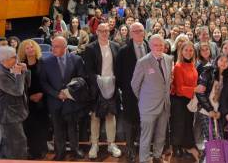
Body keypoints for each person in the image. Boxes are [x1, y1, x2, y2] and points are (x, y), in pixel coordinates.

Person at [39, 36, 85, 161]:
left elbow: (81, 79)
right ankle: (60, 152)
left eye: (56, 46)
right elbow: (43, 82)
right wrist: (56, 94)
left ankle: (75, 150)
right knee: (58, 128)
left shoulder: (77, 59)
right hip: (55, 101)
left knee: (73, 127)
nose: (53, 49)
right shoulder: (45, 61)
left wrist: (68, 91)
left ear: (65, 48)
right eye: (52, 46)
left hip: (71, 100)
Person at [131, 34, 173, 163]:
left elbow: (167, 81)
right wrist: (143, 99)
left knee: (161, 135)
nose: (159, 47)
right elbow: (134, 84)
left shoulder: (168, 59)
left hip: (165, 104)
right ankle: (144, 160)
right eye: (156, 45)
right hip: (148, 106)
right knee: (146, 137)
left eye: (161, 45)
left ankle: (157, 156)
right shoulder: (143, 62)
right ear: (150, 46)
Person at [84, 23, 121, 159]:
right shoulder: (90, 48)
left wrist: (112, 83)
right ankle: (95, 144)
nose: (105, 33)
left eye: (107, 31)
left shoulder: (116, 46)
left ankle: (111, 143)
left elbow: (118, 68)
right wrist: (99, 82)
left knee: (111, 116)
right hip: (96, 87)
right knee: (95, 116)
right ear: (97, 32)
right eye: (102, 31)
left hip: (112, 86)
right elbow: (88, 71)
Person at [116, 22, 149, 162]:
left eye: (140, 30)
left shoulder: (149, 46)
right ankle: (130, 149)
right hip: (130, 93)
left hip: (148, 92)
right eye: (135, 31)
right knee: (130, 121)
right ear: (130, 33)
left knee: (144, 121)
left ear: (144, 32)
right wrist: (126, 90)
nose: (138, 33)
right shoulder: (123, 51)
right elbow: (118, 73)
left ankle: (143, 149)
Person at [170, 41, 203, 162]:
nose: (188, 52)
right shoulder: (178, 66)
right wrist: (195, 89)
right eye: (186, 50)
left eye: (191, 50)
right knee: (179, 124)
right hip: (179, 100)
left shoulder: (193, 64)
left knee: (188, 123)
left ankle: (186, 145)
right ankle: (176, 147)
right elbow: (179, 88)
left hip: (189, 99)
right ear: (181, 52)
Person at [18, 40, 49, 159]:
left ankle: (43, 149)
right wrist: (29, 96)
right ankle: (32, 150)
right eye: (27, 48)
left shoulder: (43, 63)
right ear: (23, 51)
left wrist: (42, 93)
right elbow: (19, 84)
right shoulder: (21, 65)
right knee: (30, 126)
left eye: (32, 47)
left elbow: (47, 80)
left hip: (43, 98)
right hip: (28, 100)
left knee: (43, 125)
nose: (30, 49)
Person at [0, 46, 30, 159]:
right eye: (13, 57)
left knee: (11, 143)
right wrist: (18, 74)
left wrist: (24, 72)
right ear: (4, 60)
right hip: (8, 115)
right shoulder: (0, 74)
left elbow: (26, 86)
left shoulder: (7, 69)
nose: (17, 59)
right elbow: (17, 91)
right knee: (17, 144)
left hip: (15, 113)